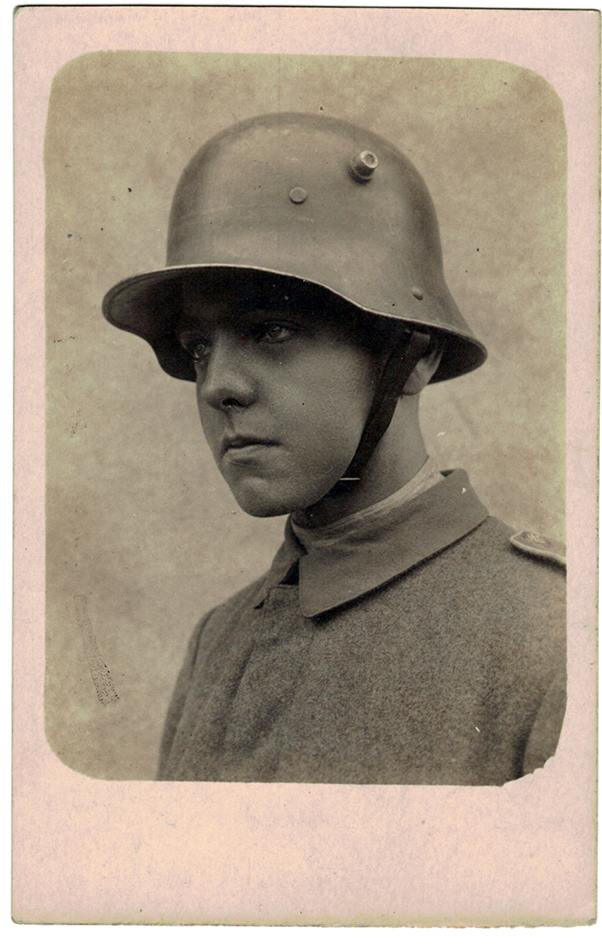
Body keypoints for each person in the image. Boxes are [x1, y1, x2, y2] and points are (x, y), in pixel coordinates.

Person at [102, 112, 566, 785]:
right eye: (200, 346)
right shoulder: (220, 641)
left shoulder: (552, 637)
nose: (218, 386)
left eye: (272, 330)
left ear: (412, 354)